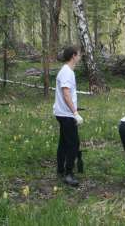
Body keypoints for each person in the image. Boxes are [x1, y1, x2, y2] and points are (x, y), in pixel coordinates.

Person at [53, 47, 83, 187]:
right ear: (73, 56)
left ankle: (60, 169)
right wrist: (75, 113)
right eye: (78, 54)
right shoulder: (67, 72)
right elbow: (66, 94)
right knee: (73, 143)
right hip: (66, 114)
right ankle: (68, 174)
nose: (80, 56)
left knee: (64, 142)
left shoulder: (67, 71)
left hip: (63, 113)